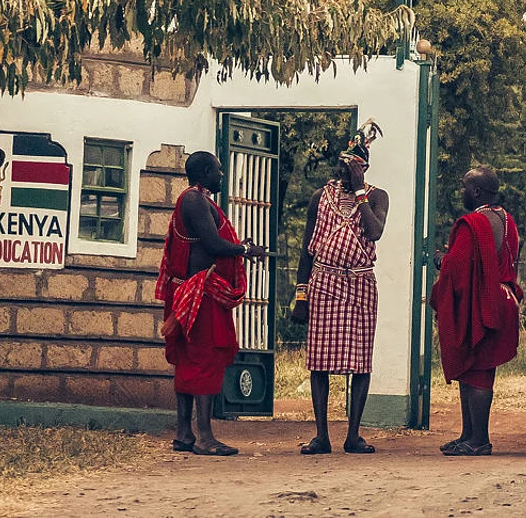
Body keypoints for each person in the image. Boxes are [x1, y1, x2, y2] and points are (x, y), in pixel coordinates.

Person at [155, 151, 268, 456]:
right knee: (204, 358)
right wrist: (245, 249)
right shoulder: (193, 200)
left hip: (195, 291)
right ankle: (204, 437)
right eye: (217, 170)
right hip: (198, 292)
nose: (221, 175)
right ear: (204, 171)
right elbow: (213, 245)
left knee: (190, 359)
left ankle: (184, 435)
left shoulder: (199, 199)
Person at [291, 121, 390, 455]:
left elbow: (374, 232)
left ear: (364, 168)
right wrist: (301, 293)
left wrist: (360, 191)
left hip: (360, 283)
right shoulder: (321, 197)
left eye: (352, 168)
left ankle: (353, 435)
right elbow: (308, 247)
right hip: (324, 281)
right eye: (342, 166)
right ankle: (321, 435)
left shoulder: (377, 196)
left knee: (360, 361)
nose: (344, 173)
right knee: (319, 361)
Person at [431, 167, 522, 456]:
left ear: (477, 192)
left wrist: (441, 262)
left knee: (479, 369)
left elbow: (457, 267)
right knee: (471, 368)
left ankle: (479, 439)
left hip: (483, 301)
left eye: (465, 187)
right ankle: (468, 435)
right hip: (502, 297)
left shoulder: (473, 223)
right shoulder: (507, 220)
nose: (462, 192)